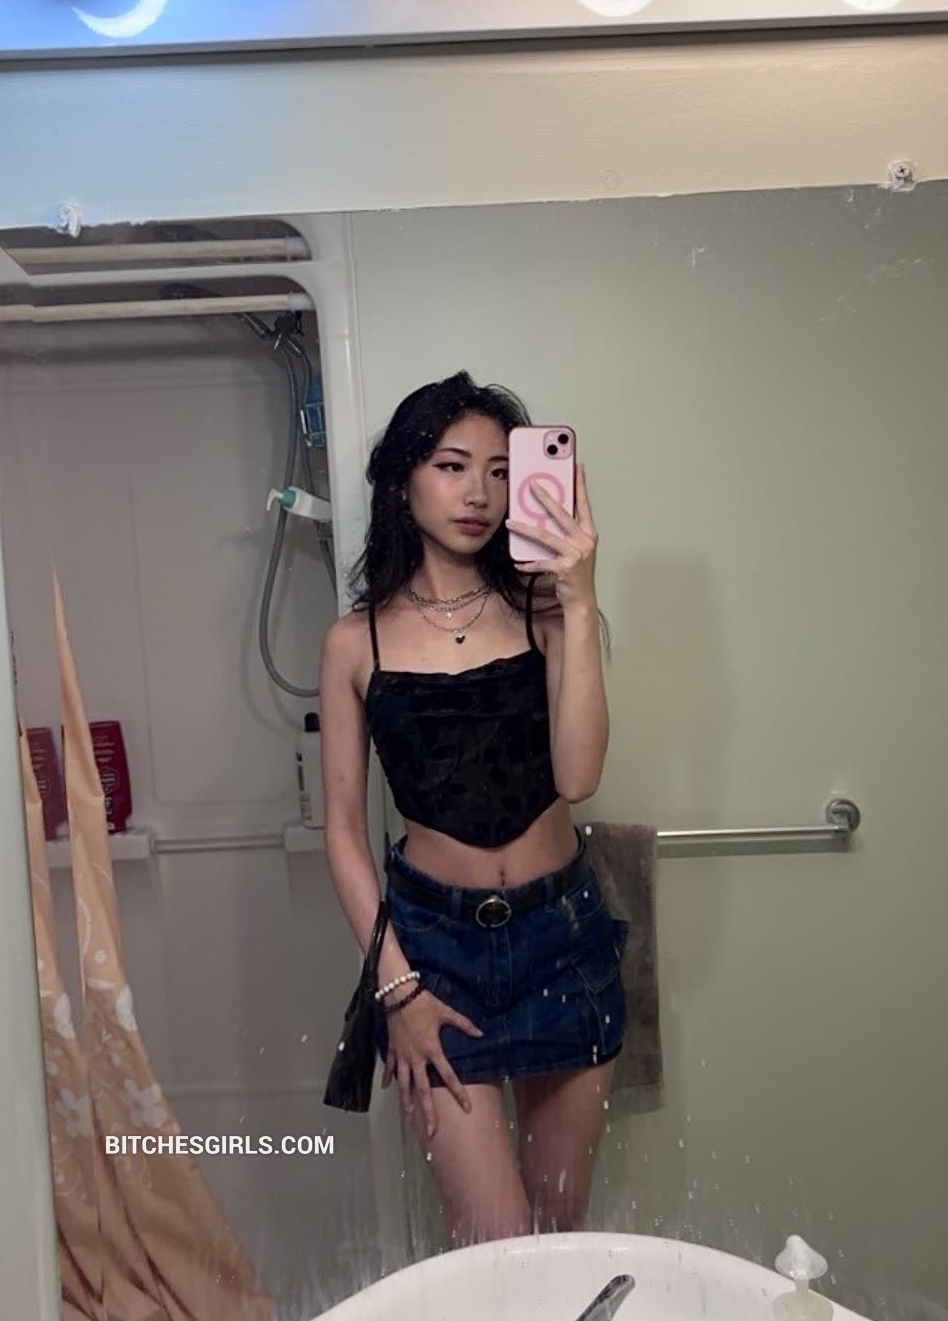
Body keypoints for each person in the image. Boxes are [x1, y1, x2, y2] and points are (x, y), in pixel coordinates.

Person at [319, 370, 627, 1247]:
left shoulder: (546, 611)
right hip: (433, 955)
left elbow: (580, 775)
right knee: (494, 1242)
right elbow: (342, 830)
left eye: (499, 471)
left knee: (561, 1234)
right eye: (452, 466)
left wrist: (580, 595)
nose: (479, 494)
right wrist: (399, 988)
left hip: (561, 936)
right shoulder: (353, 641)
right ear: (402, 481)